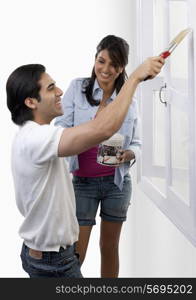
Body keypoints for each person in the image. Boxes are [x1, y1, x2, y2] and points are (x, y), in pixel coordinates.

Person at [6, 55, 164, 278]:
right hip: (53, 262)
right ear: (31, 102)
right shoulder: (36, 137)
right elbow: (102, 129)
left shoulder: (32, 135)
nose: (60, 91)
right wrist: (135, 78)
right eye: (51, 88)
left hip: (49, 256)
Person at [54, 35, 163, 277]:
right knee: (75, 255)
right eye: (101, 61)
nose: (106, 69)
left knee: (109, 248)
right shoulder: (77, 88)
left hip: (116, 183)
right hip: (82, 183)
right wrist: (84, 135)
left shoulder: (128, 100)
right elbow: (59, 127)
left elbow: (138, 142)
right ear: (95, 59)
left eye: (114, 64)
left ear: (122, 68)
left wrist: (129, 153)